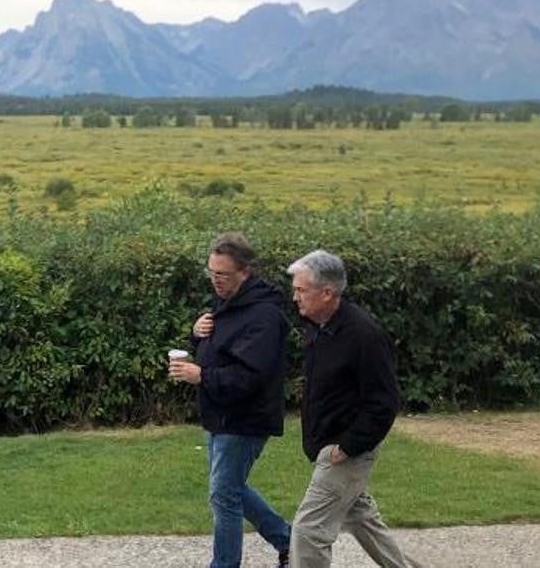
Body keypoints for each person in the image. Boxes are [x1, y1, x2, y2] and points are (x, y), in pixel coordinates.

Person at [285, 250, 420, 568]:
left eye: (301, 290)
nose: (295, 298)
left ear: (327, 292)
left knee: (308, 532)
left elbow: (384, 403)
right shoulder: (319, 325)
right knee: (362, 519)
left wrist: (347, 447)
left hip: (345, 452)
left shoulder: (364, 335)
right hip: (326, 446)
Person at [169, 232, 291, 568]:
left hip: (245, 418)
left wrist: (201, 376)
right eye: (211, 272)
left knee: (223, 495)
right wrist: (197, 336)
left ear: (245, 272)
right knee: (230, 490)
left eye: (222, 274)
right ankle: (290, 542)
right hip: (219, 415)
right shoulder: (230, 304)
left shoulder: (263, 315)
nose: (215, 281)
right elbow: (218, 352)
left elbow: (250, 376)